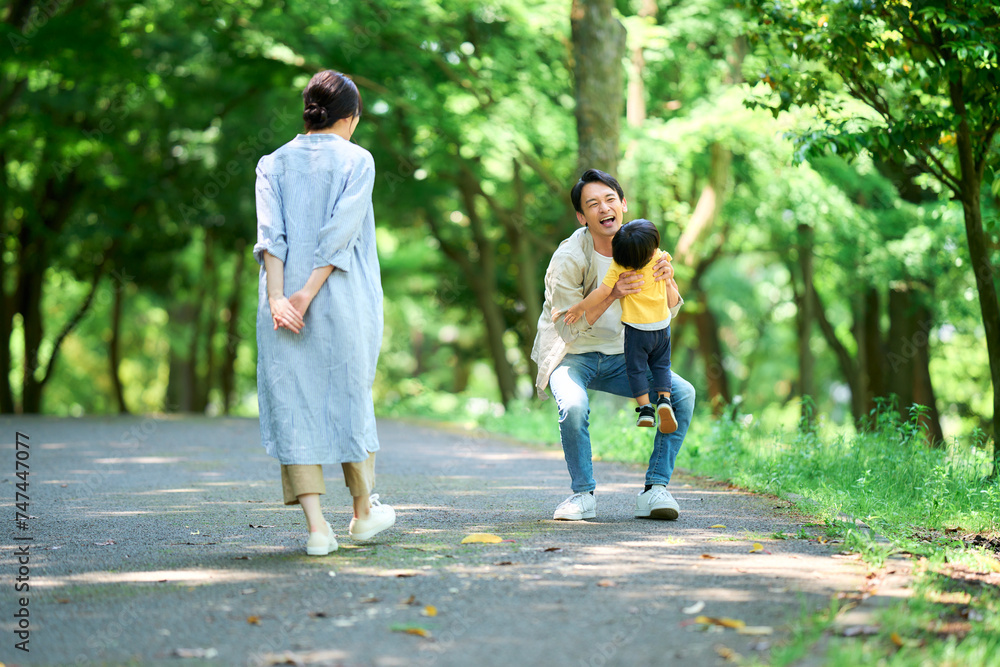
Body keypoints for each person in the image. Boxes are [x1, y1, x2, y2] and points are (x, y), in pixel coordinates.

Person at [254, 70, 394, 555]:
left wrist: (280, 298)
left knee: (294, 403)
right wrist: (307, 295)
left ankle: (317, 529)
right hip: (341, 300)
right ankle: (362, 513)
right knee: (350, 397)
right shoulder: (358, 160)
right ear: (350, 117)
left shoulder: (272, 163)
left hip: (281, 307)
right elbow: (340, 234)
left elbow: (271, 238)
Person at [530, 169, 695, 521]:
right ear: (581, 216)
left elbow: (668, 308)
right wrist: (612, 294)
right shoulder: (568, 259)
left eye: (609, 199)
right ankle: (582, 495)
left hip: (625, 355)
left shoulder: (641, 244)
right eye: (593, 204)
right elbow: (566, 330)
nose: (604, 208)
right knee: (573, 406)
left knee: (682, 394)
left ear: (622, 204)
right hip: (572, 355)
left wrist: (669, 282)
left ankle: (656, 490)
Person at [561, 218, 681, 434]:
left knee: (636, 370)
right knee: (662, 367)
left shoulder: (620, 266)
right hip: (662, 328)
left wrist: (579, 308)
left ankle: (645, 408)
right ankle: (664, 400)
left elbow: (601, 293)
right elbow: (671, 291)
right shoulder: (659, 257)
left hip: (637, 331)